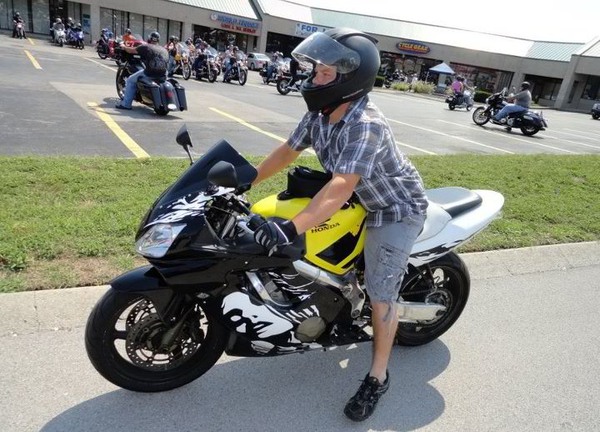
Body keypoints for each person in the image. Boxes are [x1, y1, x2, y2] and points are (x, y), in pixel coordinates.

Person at [251, 27, 428, 422]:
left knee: (381, 292)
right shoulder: (320, 113)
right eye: (316, 70)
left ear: (350, 78)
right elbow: (287, 151)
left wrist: (290, 228)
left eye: (325, 73)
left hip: (394, 208)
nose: (315, 78)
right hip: (357, 198)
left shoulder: (366, 123)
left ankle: (377, 377)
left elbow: (340, 186)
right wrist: (246, 181)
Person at [115, 31, 168, 110]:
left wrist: (124, 46)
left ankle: (126, 105)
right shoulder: (164, 49)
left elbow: (131, 50)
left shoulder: (146, 47)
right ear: (158, 40)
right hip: (163, 75)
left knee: (130, 80)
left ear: (149, 38)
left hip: (150, 74)